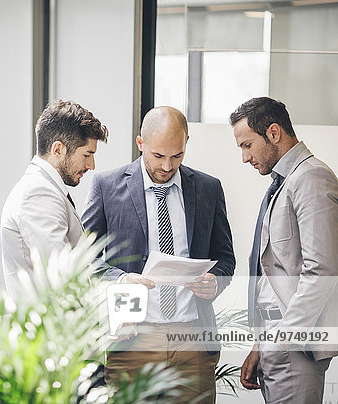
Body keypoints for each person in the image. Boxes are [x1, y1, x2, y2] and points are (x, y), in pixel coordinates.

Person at [82, 106, 235, 403]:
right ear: (140, 144)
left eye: (177, 156)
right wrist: (122, 278)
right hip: (133, 339)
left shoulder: (208, 188)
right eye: (158, 156)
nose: (167, 166)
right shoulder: (106, 186)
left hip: (192, 339)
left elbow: (225, 257)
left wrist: (215, 281)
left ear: (187, 142)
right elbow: (83, 259)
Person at [231, 97, 338, 403]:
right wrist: (260, 345)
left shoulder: (311, 177)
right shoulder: (286, 181)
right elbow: (275, 274)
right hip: (276, 342)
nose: (244, 157)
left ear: (274, 133)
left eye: (247, 145)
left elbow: (322, 271)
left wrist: (281, 341)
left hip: (294, 348)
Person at [0, 99, 109, 298]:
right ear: (58, 149)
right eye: (87, 154)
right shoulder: (38, 193)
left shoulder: (45, 188)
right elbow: (62, 276)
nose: (92, 165)